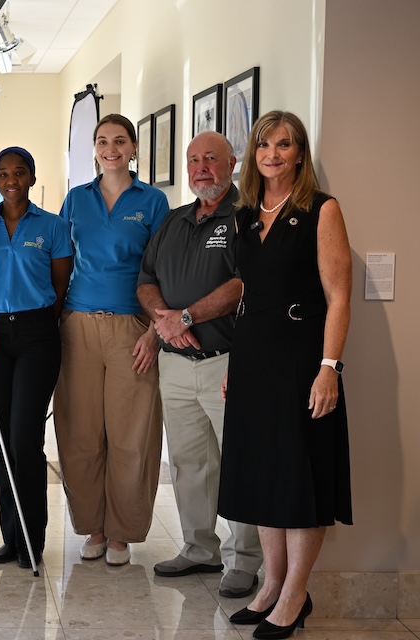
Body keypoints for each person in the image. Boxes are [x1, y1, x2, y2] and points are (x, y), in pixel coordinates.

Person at [218, 111, 352, 639]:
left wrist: (329, 369)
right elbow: (247, 295)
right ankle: (271, 585)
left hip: (302, 360)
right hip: (252, 358)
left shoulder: (322, 210)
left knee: (300, 477)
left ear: (299, 153)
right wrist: (235, 364)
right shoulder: (247, 213)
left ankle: (296, 593)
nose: (271, 153)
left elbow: (339, 297)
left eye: (283, 144)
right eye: (263, 144)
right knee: (264, 475)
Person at [137, 131, 262, 598]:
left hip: (227, 362)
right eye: (193, 159)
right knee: (190, 462)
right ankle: (198, 547)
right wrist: (165, 323)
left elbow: (243, 283)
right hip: (175, 363)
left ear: (232, 163)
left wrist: (186, 316)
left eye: (211, 158)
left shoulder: (245, 217)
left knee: (238, 462)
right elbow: (146, 280)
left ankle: (245, 558)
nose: (200, 167)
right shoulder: (172, 222)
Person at [55, 113, 169, 566]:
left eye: (120, 141)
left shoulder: (153, 201)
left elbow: (165, 271)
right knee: (81, 433)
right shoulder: (76, 200)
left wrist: (157, 334)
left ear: (134, 147)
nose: (110, 149)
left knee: (130, 435)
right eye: (102, 141)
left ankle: (122, 532)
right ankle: (94, 527)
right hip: (78, 325)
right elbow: (60, 262)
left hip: (132, 330)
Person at [0, 146, 72, 569]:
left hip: (38, 334)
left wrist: (34, 320)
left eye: (19, 172)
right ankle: (10, 535)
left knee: (25, 437)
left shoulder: (53, 226)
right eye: (3, 173)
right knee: (2, 438)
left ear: (32, 178)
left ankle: (32, 538)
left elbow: (59, 287)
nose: (11, 179)